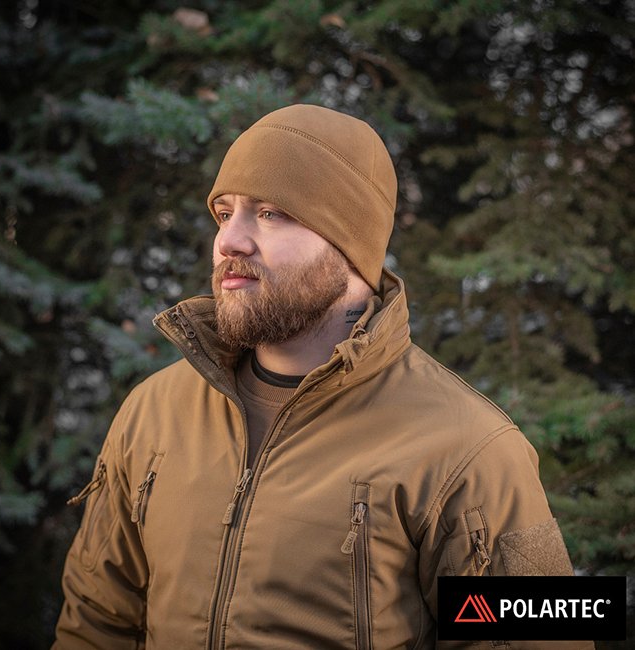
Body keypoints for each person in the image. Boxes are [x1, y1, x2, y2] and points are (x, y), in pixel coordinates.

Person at [53, 104, 593, 650]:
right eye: (224, 213)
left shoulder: (468, 448)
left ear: (350, 244)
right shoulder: (154, 410)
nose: (229, 241)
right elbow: (95, 627)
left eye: (270, 213)